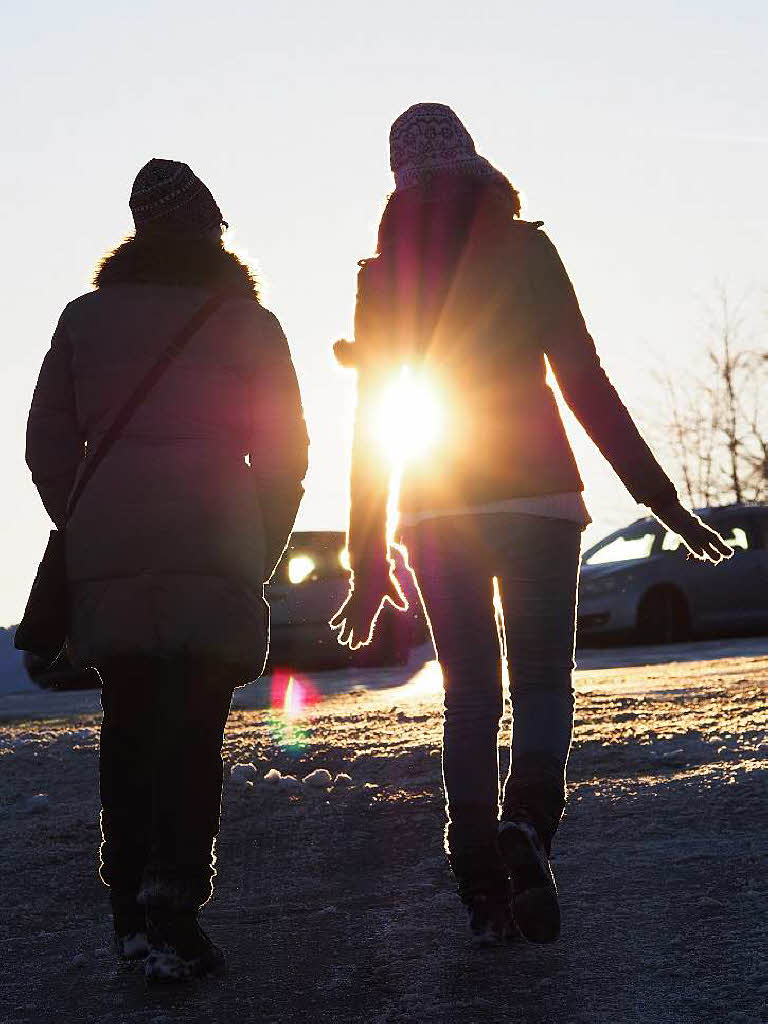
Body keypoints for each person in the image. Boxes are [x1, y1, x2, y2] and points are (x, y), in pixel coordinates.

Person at [330, 103, 731, 944]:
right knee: (544, 682)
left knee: (470, 694)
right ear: (475, 162)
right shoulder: (528, 248)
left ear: (398, 179)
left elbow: (376, 426)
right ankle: (528, 829)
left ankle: (478, 873)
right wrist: (665, 504)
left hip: (438, 506)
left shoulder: (382, 277)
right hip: (542, 497)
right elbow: (587, 384)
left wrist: (369, 558)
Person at [25, 159, 309, 980]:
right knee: (191, 733)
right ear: (211, 231)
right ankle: (173, 900)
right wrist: (261, 540)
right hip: (214, 543)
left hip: (111, 550)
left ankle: (129, 917)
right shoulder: (250, 324)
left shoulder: (83, 319)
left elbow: (46, 443)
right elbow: (286, 454)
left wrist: (85, 521)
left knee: (128, 727)